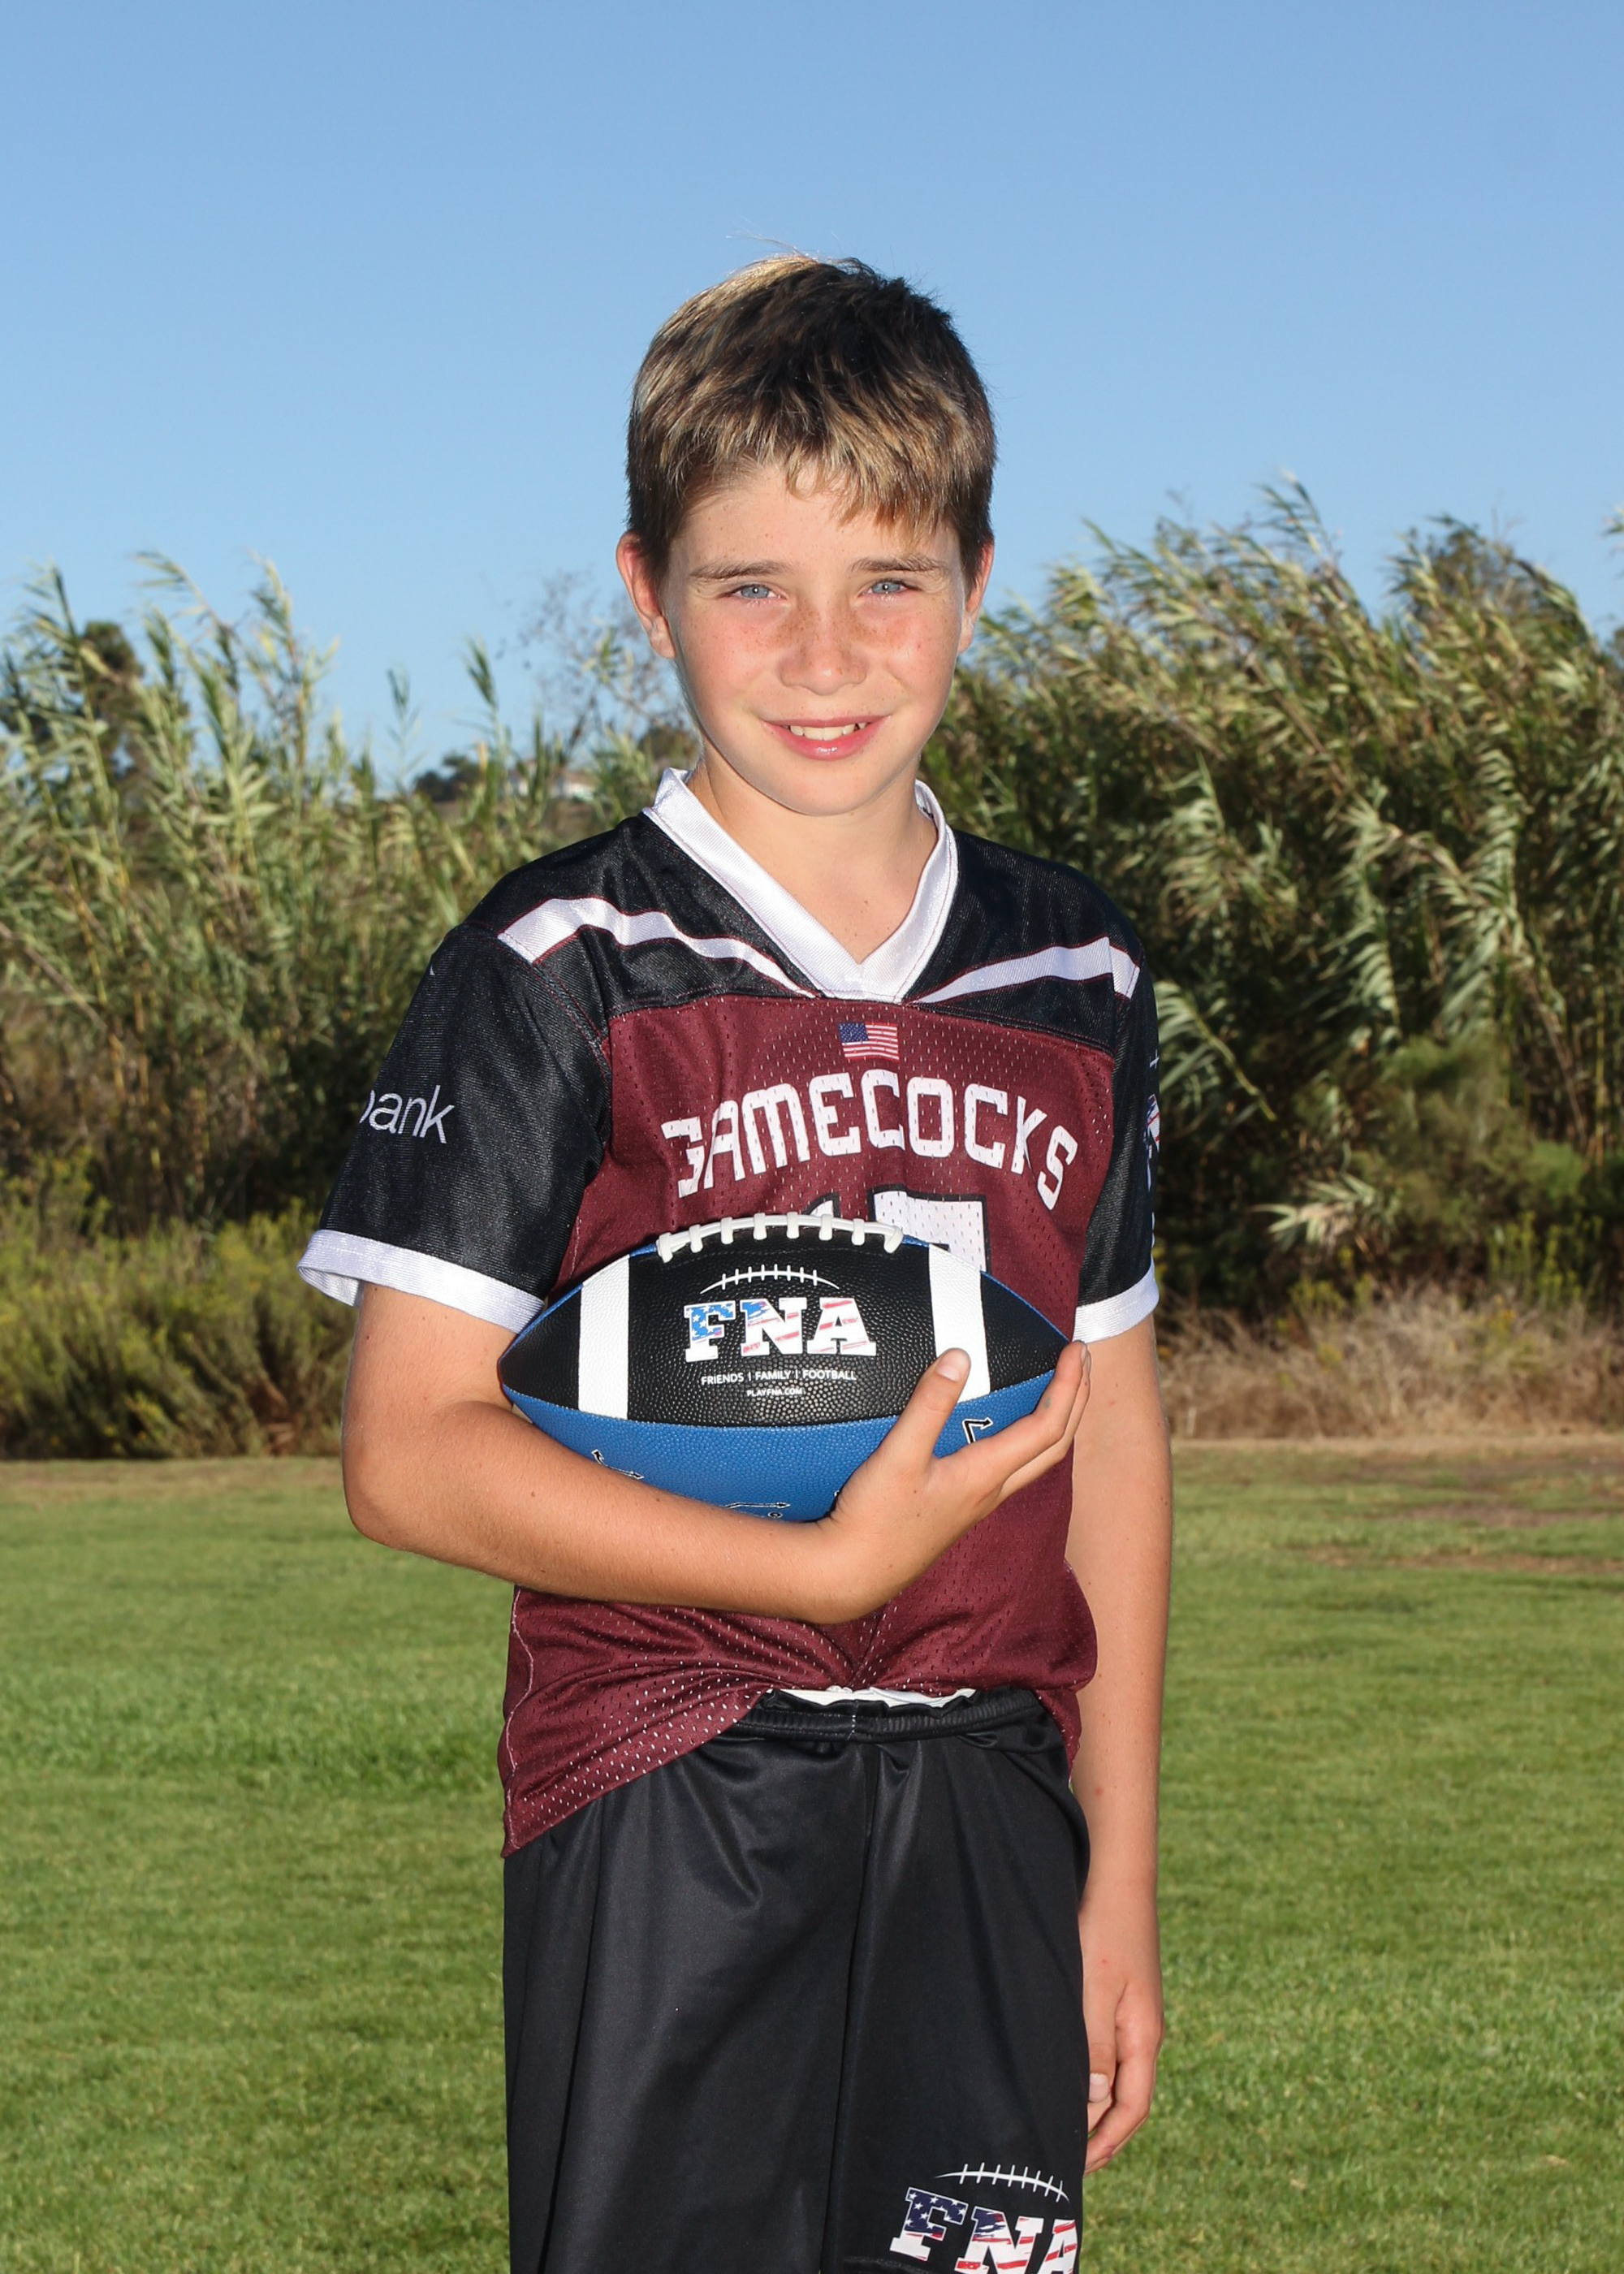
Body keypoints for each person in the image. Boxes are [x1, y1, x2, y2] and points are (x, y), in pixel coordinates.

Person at [300, 254, 1172, 2274]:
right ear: (645, 590)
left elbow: (1110, 1430)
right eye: (749, 585)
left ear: (976, 579)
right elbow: (407, 1453)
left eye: (889, 579)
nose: (824, 649)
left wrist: (1117, 1868)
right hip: (668, 1775)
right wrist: (816, 1570)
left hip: (990, 1787)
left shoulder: (1078, 966)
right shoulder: (558, 963)